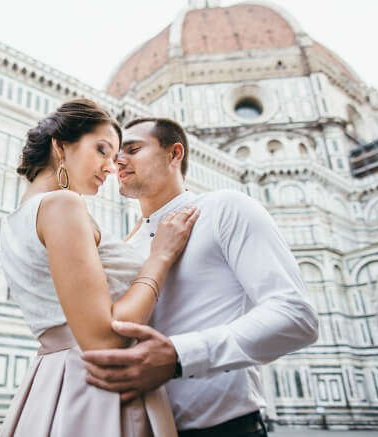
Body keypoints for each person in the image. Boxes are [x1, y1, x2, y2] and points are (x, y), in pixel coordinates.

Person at [83, 117, 319, 437]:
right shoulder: (127, 246)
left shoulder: (225, 209)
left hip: (225, 429)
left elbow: (296, 316)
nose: (117, 160)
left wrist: (179, 356)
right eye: (113, 154)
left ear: (174, 154)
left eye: (133, 149)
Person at [0, 101, 198, 436]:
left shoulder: (15, 221)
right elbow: (103, 338)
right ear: (60, 146)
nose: (110, 167)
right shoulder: (62, 205)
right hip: (97, 384)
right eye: (101, 150)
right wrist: (160, 257)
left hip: (52, 381)